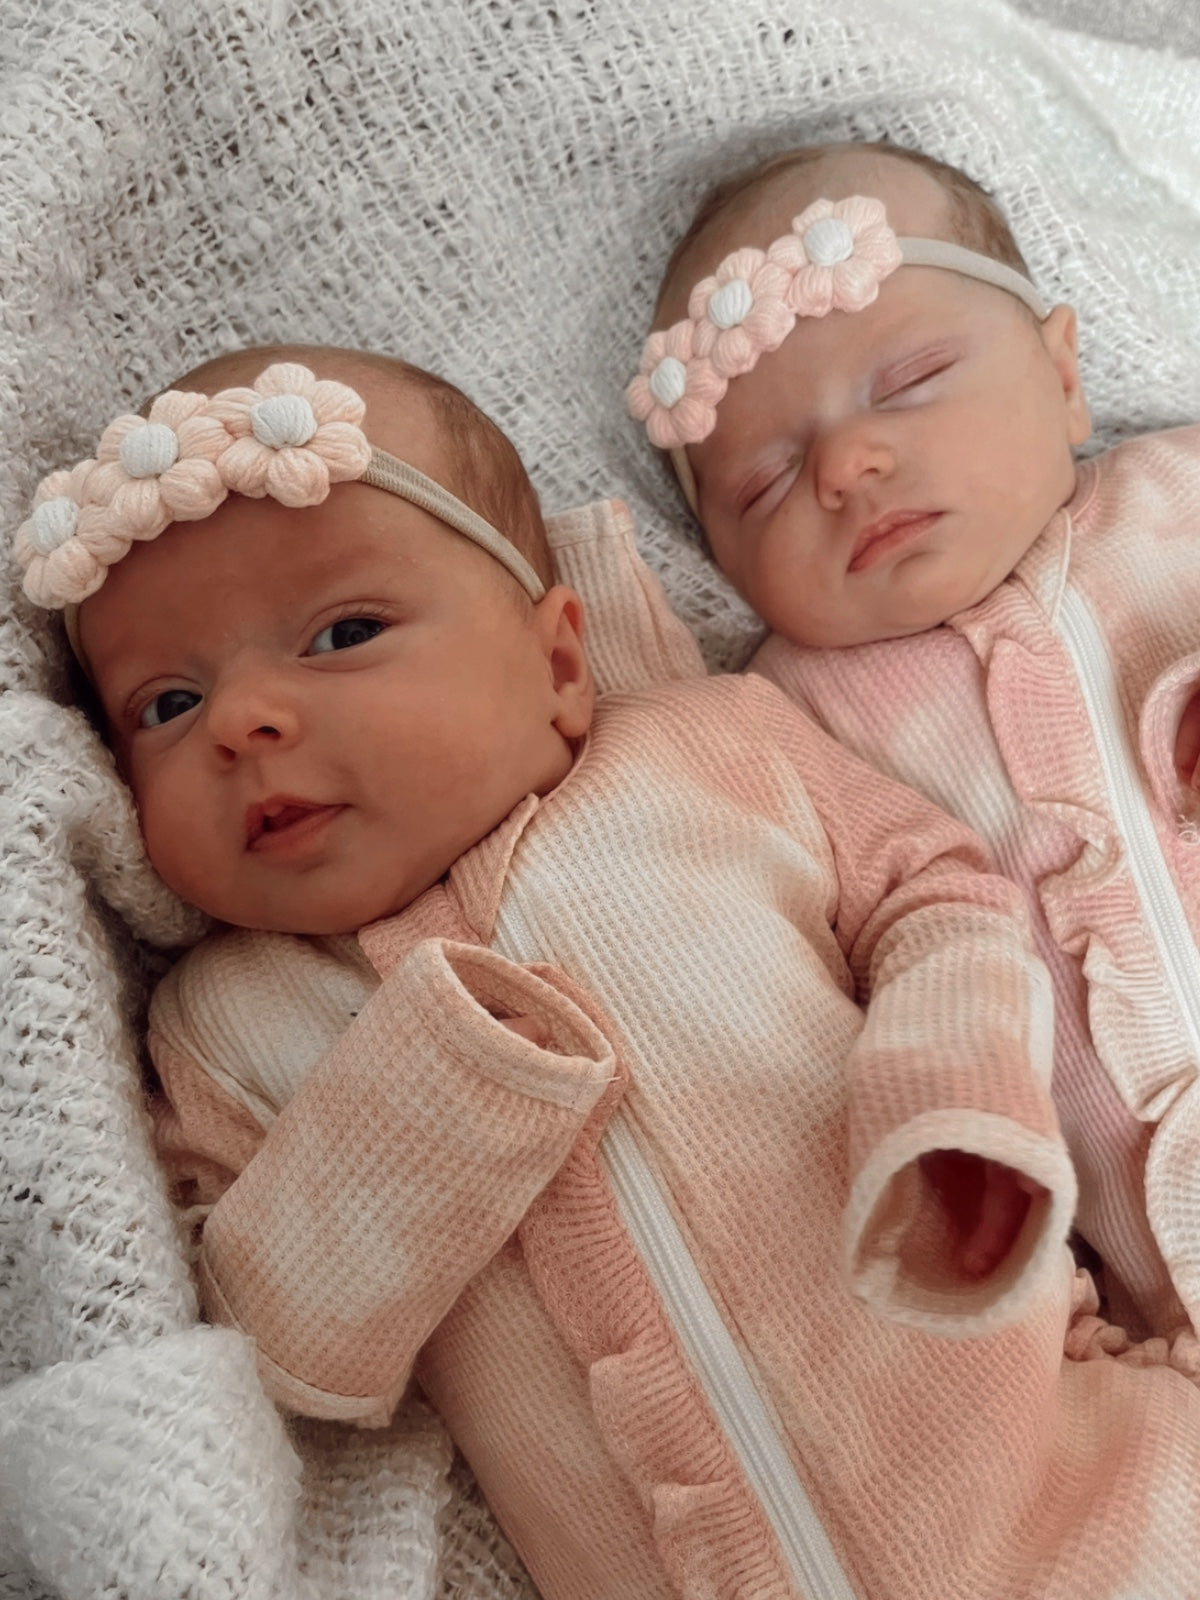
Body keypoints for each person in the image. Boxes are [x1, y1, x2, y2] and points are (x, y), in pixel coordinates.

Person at [19, 343, 1200, 1599]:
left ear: (560, 665)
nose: (241, 719)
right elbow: (279, 1345)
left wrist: (948, 1090)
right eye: (165, 705)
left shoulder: (709, 754)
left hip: (1100, 1502)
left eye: (344, 632)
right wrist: (423, 1096)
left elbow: (940, 894)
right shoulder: (226, 1024)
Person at [629, 138, 1200, 1350]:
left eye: (912, 379)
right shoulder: (783, 725)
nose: (846, 465)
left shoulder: (1178, 498)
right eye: (764, 482)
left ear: (1064, 375)